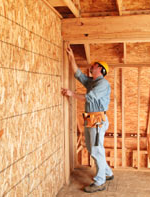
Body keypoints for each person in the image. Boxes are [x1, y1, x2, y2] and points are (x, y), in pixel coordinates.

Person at [61, 45, 114, 193]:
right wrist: (71, 56)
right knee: (92, 149)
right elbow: (78, 74)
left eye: (94, 66)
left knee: (97, 150)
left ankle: (100, 182)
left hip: (97, 121)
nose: (91, 67)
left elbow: (88, 98)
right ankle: (108, 173)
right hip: (91, 120)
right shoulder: (92, 82)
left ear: (101, 70)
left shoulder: (102, 83)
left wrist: (71, 94)